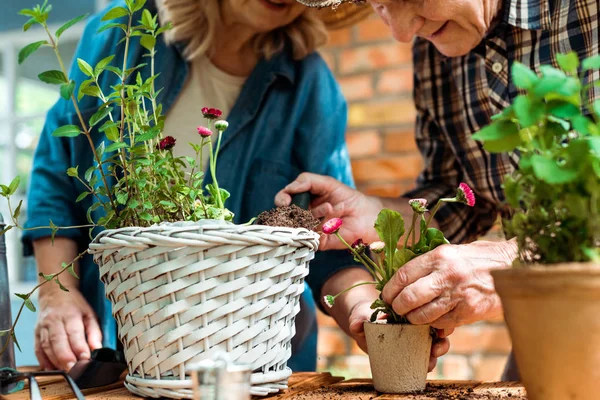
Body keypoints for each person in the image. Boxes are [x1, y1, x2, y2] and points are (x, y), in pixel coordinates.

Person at [22, 0, 388, 373]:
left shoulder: (310, 85)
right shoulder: (125, 32)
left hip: (254, 364)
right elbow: (59, 169)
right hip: (114, 355)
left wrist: (364, 310)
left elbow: (333, 246)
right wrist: (57, 294)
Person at [279, 0, 599, 379]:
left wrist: (513, 266)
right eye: (380, 6)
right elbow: (463, 196)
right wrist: (378, 215)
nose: (401, 30)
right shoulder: (436, 44)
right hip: (553, 330)